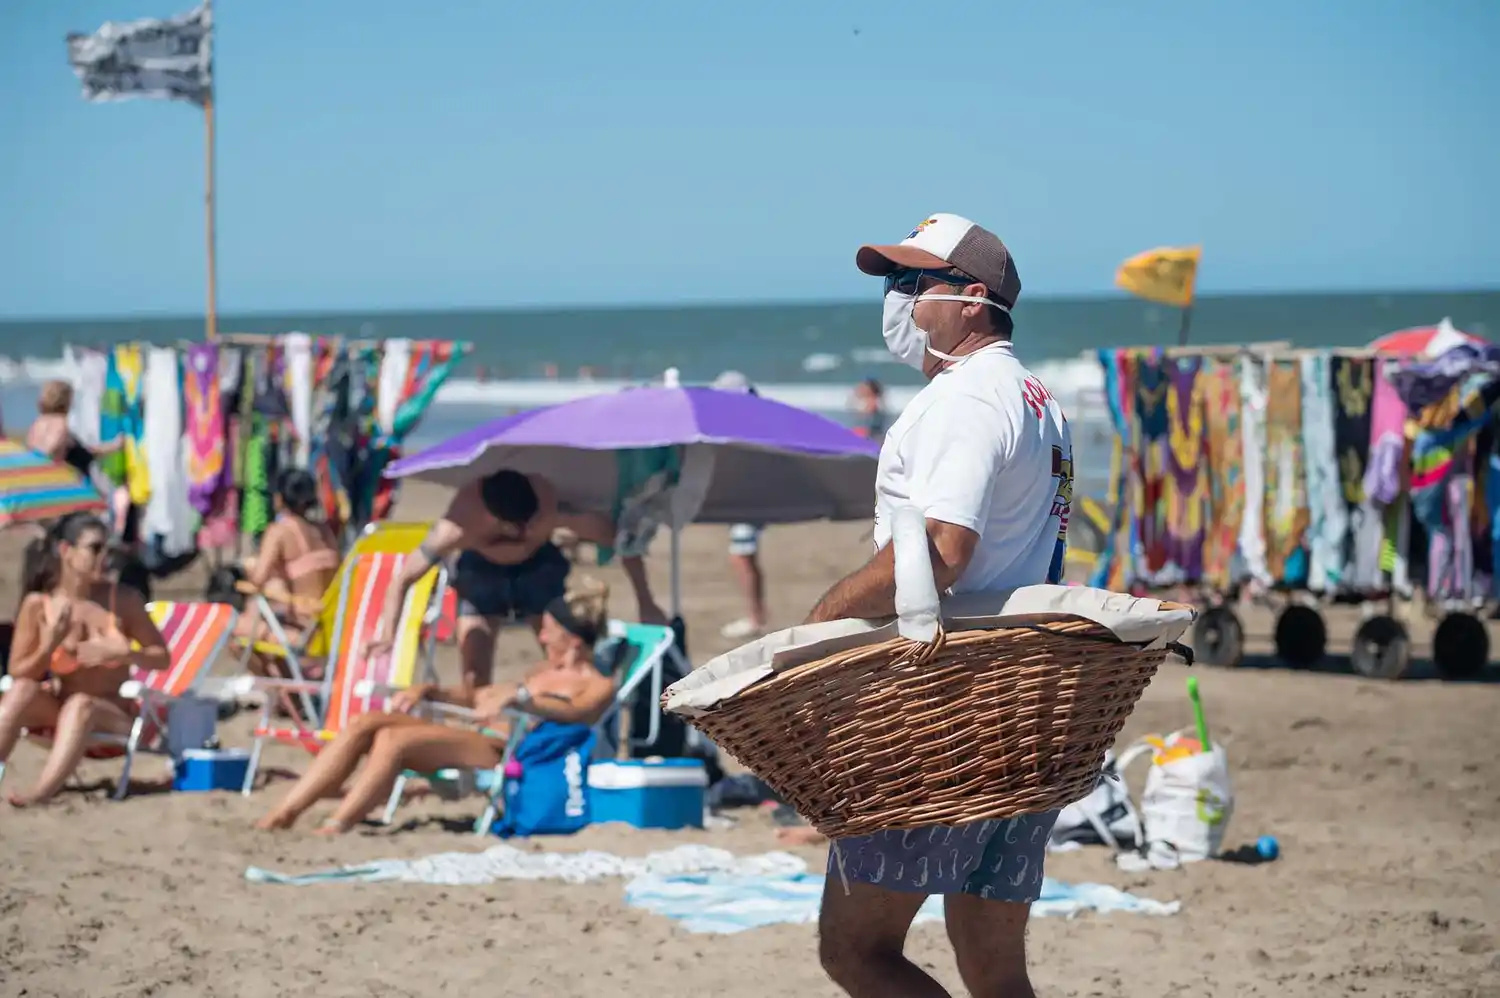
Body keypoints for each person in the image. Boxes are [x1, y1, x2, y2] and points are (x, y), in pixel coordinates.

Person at [803, 213, 1072, 998]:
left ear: (972, 299)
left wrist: (821, 622)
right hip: (1023, 706)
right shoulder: (1037, 399)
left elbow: (942, 553)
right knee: (994, 968)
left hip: (940, 712)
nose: (896, 301)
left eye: (911, 284)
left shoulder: (965, 398)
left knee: (856, 950)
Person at [256, 576, 616, 834]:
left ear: (572, 640)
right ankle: (285, 811)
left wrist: (527, 700)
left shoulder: (598, 684)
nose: (540, 637)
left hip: (507, 750)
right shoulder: (542, 669)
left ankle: (338, 824)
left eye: (548, 631)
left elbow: (576, 714)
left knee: (393, 741)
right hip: (475, 733)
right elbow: (477, 696)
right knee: (367, 722)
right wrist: (430, 692)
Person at [364, 468, 618, 693]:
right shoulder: (456, 526)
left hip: (538, 569)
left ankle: (569, 719)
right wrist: (388, 633)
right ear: (492, 519)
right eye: (515, 529)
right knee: (474, 674)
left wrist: (579, 524)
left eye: (530, 525)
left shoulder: (545, 504)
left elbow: (608, 534)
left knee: (564, 657)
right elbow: (403, 579)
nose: (524, 532)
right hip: (481, 573)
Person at [0, 513, 169, 807]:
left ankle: (39, 794)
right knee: (21, 691)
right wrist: (50, 643)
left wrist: (125, 653)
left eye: (107, 550)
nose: (104, 557)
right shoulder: (39, 605)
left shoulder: (123, 600)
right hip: (61, 709)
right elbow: (18, 672)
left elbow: (162, 658)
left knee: (81, 704)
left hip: (114, 717)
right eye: (95, 548)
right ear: (66, 551)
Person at [235, 470, 342, 709]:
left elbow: (257, 581)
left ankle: (287, 699)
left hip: (306, 634)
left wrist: (250, 567)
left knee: (234, 630)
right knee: (270, 620)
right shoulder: (326, 531)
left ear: (280, 498)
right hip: (334, 630)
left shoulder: (280, 532)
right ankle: (292, 694)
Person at [712, 371, 771, 640]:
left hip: (751, 498)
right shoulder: (751, 421)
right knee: (743, 556)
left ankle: (755, 617)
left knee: (742, 556)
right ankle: (756, 615)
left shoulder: (747, 424)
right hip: (750, 496)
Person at [25, 380, 116, 480]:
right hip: (67, 480)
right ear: (65, 400)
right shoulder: (60, 423)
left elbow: (33, 451)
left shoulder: (37, 423)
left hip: (44, 478)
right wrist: (114, 446)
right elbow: (53, 449)